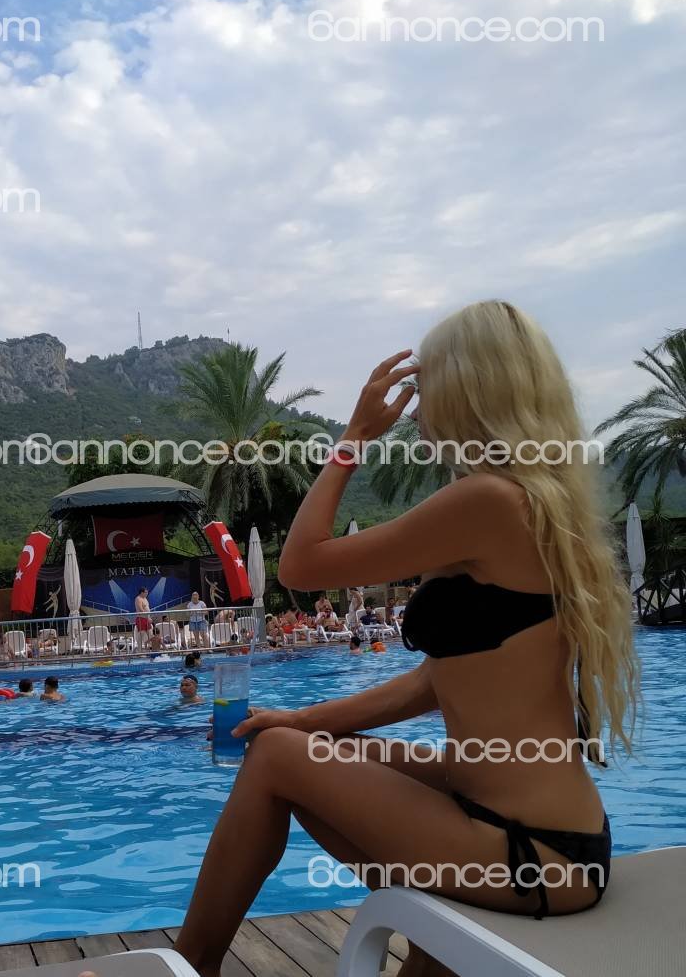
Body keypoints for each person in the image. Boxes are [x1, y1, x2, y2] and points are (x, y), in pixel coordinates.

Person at [173, 304, 638, 977]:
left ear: (469, 388)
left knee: (274, 757)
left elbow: (300, 566)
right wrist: (303, 719)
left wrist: (354, 437)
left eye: (425, 387)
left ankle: (192, 966)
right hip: (538, 833)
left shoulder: (490, 501)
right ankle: (430, 956)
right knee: (301, 745)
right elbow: (433, 681)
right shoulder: (533, 503)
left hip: (525, 848)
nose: (415, 408)